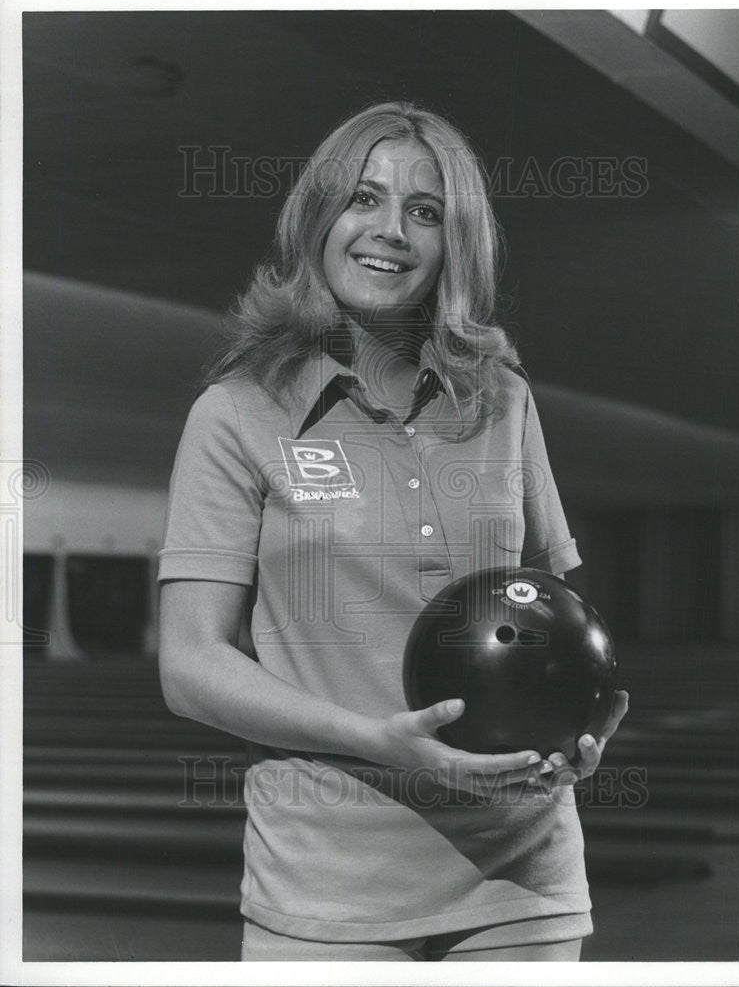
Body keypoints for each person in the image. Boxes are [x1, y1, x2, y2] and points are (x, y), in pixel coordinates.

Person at [158, 101, 629, 962]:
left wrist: (576, 726)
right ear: (317, 218)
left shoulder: (503, 399)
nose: (391, 232)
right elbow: (190, 666)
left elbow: (551, 612)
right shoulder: (235, 413)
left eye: (425, 212)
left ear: (456, 244)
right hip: (325, 891)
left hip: (523, 884)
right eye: (363, 200)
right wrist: (373, 741)